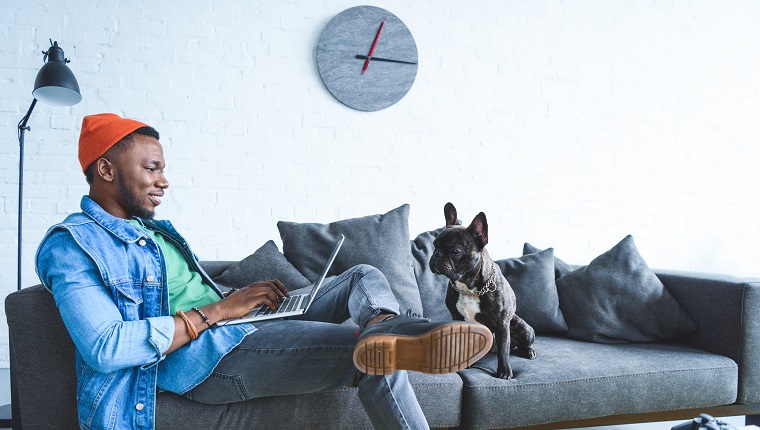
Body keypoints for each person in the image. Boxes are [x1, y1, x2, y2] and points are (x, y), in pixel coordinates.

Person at [35, 113, 493, 430]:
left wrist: (240, 299)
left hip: (240, 326)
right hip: (207, 357)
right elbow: (104, 346)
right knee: (377, 357)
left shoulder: (151, 231)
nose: (164, 180)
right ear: (105, 169)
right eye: (152, 168)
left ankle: (385, 324)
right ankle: (399, 337)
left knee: (362, 277)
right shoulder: (70, 245)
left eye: (163, 169)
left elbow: (185, 289)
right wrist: (218, 310)